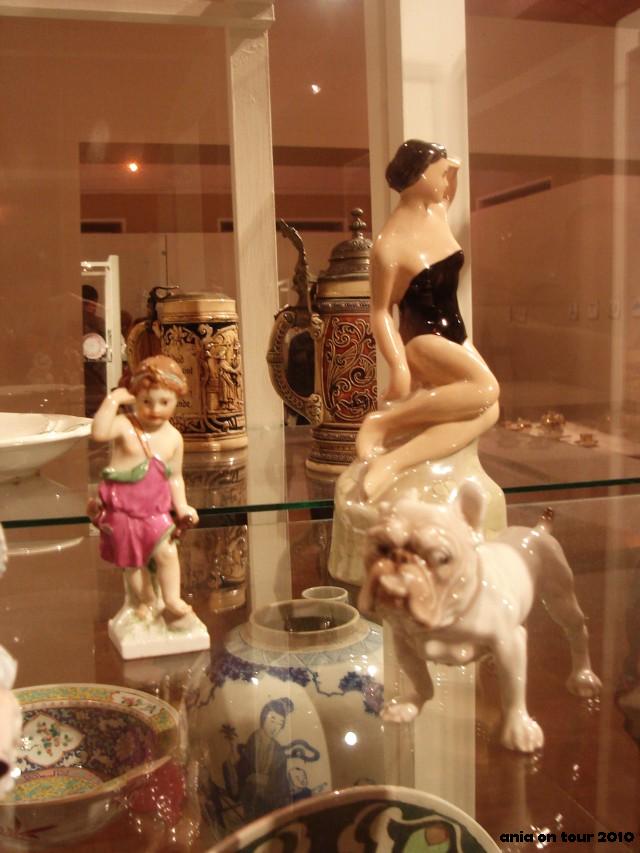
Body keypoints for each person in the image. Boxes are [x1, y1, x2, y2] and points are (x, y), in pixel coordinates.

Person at [355, 140, 500, 500]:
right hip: (423, 338)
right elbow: (380, 311)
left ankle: (393, 463)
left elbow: (454, 175)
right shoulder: (389, 246)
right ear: (420, 177)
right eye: (440, 173)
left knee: (489, 411)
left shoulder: (438, 211)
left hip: (455, 334)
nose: (446, 180)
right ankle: (383, 423)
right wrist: (399, 367)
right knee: (486, 389)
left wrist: (447, 162)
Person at [89, 355, 198, 623]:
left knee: (167, 552)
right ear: (135, 397)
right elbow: (99, 433)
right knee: (133, 564)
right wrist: (113, 400)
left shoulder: (174, 438)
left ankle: (172, 598)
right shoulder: (125, 426)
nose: (155, 409)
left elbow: (175, 477)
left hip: (155, 510)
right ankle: (146, 601)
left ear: (177, 399)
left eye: (164, 402)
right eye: (146, 401)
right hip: (123, 509)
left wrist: (181, 505)